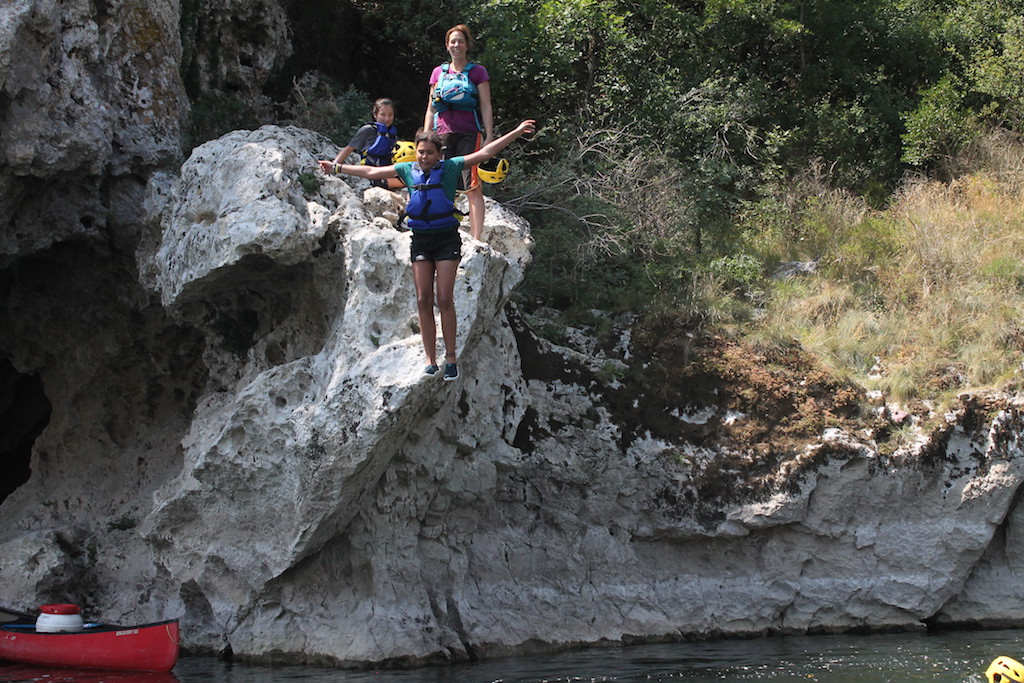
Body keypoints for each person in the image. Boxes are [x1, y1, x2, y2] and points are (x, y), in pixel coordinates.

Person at [319, 119, 536, 381]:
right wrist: (338, 167)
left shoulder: (451, 167)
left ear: (439, 154)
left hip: (446, 239)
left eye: (429, 152)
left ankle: (451, 358)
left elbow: (485, 153)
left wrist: (515, 132)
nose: (424, 157)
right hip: (420, 240)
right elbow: (371, 173)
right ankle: (431, 360)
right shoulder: (407, 169)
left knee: (444, 299)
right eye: (420, 152)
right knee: (423, 300)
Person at [422, 24, 493, 241]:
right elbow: (431, 107)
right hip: (441, 134)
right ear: (447, 45)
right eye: (452, 41)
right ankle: (441, 231)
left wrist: (489, 135)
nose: (456, 45)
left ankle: (476, 238)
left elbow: (486, 105)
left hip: (469, 133)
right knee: (440, 182)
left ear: (467, 44)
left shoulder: (478, 72)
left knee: (471, 185)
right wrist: (426, 136)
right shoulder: (438, 73)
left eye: (460, 41)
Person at [329, 98, 403, 190]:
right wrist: (333, 166)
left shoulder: (392, 135)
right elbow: (349, 148)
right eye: (382, 114)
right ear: (375, 115)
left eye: (390, 115)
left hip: (386, 172)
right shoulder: (367, 130)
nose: (387, 118)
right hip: (369, 173)